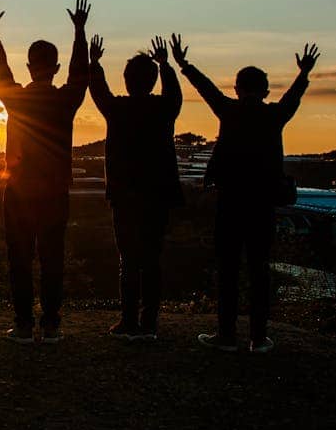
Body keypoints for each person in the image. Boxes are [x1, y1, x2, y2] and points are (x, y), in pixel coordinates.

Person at [172, 35, 320, 353]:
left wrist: (184, 64)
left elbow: (206, 88)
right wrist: (304, 72)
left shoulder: (229, 111)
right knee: (259, 269)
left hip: (230, 201)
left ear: (237, 88)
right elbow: (293, 97)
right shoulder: (274, 116)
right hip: (263, 203)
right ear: (265, 91)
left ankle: (226, 334)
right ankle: (258, 337)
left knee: (227, 269)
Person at [0, 0, 90, 344]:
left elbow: (0, 72)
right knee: (52, 259)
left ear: (29, 67)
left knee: (20, 259)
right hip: (55, 191)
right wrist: (79, 32)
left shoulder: (16, 98)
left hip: (18, 190)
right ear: (55, 67)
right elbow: (81, 74)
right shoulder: (66, 100)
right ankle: (51, 325)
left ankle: (24, 325)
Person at [89, 35, 183, 341]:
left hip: (125, 196)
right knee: (152, 259)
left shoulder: (117, 109)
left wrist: (94, 63)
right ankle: (149, 323)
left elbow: (98, 91)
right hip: (158, 194)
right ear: (153, 81)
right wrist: (166, 65)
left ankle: (128, 321)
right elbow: (175, 94)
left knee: (128, 259)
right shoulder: (164, 109)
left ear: (127, 81)